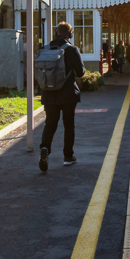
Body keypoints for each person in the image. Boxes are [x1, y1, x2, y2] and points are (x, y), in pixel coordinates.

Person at [39, 21, 86, 172]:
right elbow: (80, 72)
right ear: (70, 35)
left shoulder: (45, 49)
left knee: (50, 124)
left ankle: (45, 148)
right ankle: (68, 156)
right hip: (67, 95)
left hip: (49, 93)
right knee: (68, 125)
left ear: (55, 33)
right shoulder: (71, 50)